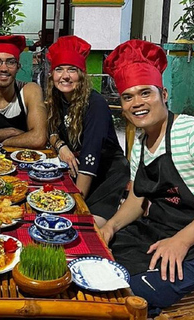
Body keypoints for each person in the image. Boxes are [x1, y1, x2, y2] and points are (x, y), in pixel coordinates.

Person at [100, 39, 194, 315]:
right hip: (152, 233)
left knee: (131, 295)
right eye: (128, 96)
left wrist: (181, 241)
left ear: (164, 94)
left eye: (145, 93)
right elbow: (137, 196)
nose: (137, 103)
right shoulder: (141, 142)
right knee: (97, 269)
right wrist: (110, 226)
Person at [45, 35, 129, 228]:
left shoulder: (95, 105)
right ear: (52, 75)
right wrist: (61, 145)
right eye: (59, 69)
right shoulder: (59, 99)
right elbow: (51, 130)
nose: (65, 76)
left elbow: (90, 159)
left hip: (106, 175)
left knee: (80, 226)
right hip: (79, 171)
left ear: (81, 75)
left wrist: (73, 206)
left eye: (72, 70)